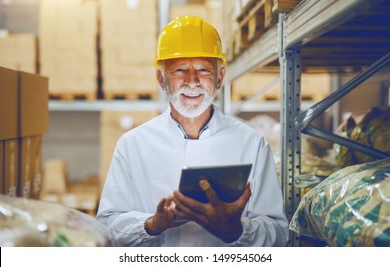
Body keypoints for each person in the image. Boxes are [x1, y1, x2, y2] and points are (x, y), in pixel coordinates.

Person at [96, 15, 289, 247]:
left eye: (203, 70)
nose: (192, 81)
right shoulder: (132, 145)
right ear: (161, 78)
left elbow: (278, 233)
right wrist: (151, 224)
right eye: (179, 69)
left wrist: (235, 230)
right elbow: (107, 226)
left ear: (220, 78)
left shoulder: (252, 143)